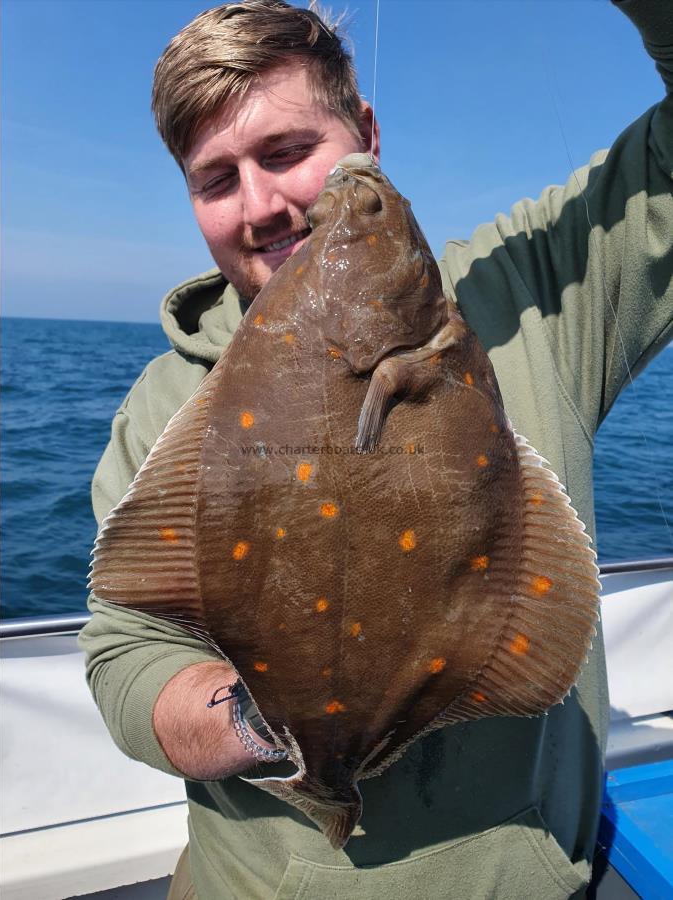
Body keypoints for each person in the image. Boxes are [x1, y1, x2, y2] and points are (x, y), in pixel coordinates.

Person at [78, 0, 673, 897]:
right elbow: (127, 651)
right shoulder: (158, 406)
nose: (265, 206)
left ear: (365, 135)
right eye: (216, 179)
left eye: (286, 153)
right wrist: (276, 719)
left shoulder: (526, 294)